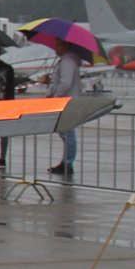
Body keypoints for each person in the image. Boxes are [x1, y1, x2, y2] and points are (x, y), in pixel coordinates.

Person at [47, 44, 87, 176]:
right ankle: (66, 161)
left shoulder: (67, 62)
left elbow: (65, 83)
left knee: (68, 133)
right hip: (66, 101)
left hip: (66, 102)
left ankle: (68, 163)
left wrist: (56, 96)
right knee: (65, 133)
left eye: (57, 44)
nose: (55, 48)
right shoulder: (66, 61)